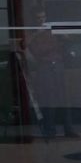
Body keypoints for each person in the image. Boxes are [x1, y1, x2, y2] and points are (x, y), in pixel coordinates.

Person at [23, 7, 77, 137]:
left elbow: (68, 38)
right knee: (48, 99)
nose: (41, 20)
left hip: (58, 65)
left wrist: (60, 33)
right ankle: (50, 129)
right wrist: (37, 32)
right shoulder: (31, 32)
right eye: (39, 18)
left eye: (43, 17)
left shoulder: (51, 30)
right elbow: (24, 44)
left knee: (64, 98)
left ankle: (68, 129)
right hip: (44, 66)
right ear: (34, 19)